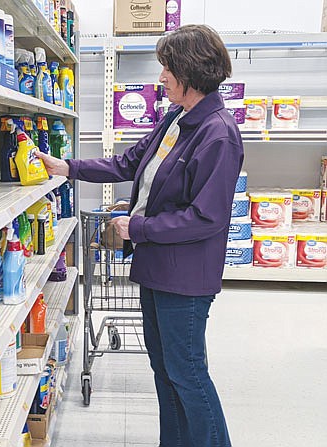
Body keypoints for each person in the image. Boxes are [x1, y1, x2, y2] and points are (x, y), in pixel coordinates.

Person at [37, 24, 242, 447]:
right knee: (165, 371)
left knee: (188, 374)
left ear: (190, 69)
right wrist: (67, 168)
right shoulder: (176, 119)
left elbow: (207, 217)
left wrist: (137, 226)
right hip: (154, 267)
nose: (161, 76)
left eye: (167, 67)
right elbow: (129, 163)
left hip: (184, 278)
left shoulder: (217, 134)